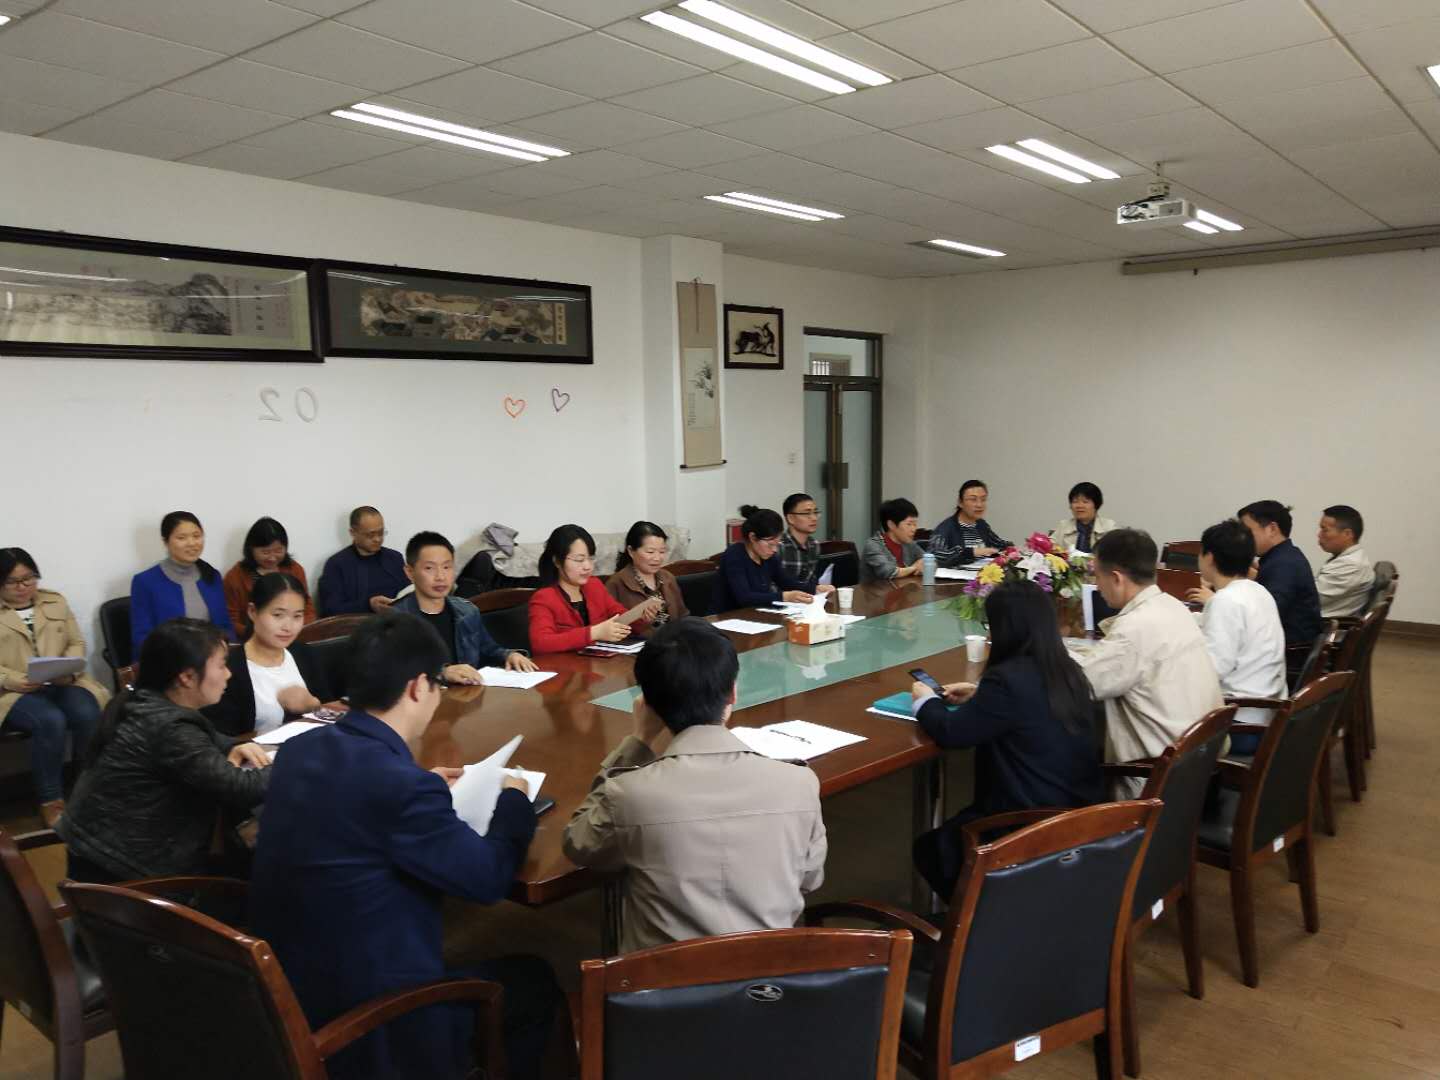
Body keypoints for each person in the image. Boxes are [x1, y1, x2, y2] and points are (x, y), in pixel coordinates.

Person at [249, 613, 557, 1080]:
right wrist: (513, 798)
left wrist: (422, 786)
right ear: (417, 687)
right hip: (373, 1020)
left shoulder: (299, 750)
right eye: (437, 685)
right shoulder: (399, 786)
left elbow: (356, 805)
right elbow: (487, 879)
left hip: (287, 986)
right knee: (534, 980)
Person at [563, 618, 826, 952]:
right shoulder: (798, 782)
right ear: (733, 693)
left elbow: (579, 844)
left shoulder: (630, 793)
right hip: (772, 975)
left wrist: (638, 739)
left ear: (648, 704)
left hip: (661, 981)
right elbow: (810, 879)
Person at [909, 581, 1103, 898]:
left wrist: (925, 701)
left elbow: (952, 732)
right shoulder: (1067, 670)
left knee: (931, 849)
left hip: (1024, 825)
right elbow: (1029, 707)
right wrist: (980, 695)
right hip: (1076, 815)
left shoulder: (1007, 679)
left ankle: (976, 917)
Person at [59, 618, 269, 882]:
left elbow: (211, 739)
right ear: (187, 677)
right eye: (221, 665)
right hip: (126, 876)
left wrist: (238, 746)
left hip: (101, 854)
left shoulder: (143, 700)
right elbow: (241, 787)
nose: (228, 674)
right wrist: (294, 761)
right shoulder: (168, 727)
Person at [1074, 529, 1223, 770]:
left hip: (1153, 775)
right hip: (1197, 763)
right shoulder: (1174, 607)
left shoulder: (1134, 628)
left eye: (1096, 576)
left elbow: (1078, 685)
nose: (1096, 585)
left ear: (1116, 578)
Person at [0, 548, 109, 828]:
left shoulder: (54, 601)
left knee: (88, 711)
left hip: (61, 681)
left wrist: (66, 668)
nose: (23, 586)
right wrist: (12, 680)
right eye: (13, 581)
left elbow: (76, 642)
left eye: (29, 578)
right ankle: (51, 800)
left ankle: (87, 790)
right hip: (13, 691)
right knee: (50, 720)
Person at [1187, 520, 1286, 755]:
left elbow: (1214, 669)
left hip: (1241, 725)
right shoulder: (1257, 590)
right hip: (1266, 715)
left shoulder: (1225, 601)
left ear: (1209, 558)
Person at [391, 531, 538, 681]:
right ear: (410, 572)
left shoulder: (467, 611)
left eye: (447, 567)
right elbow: (391, 671)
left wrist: (509, 655)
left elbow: (489, 650)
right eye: (429, 568)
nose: (440, 577)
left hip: (468, 693)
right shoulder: (393, 621)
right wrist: (442, 673)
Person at [204, 573, 323, 738]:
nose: (288, 627)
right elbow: (220, 737)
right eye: (278, 615)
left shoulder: (305, 654)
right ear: (253, 612)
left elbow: (333, 715)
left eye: (297, 616)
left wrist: (312, 704)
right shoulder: (229, 668)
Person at [130, 510, 235, 655]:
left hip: (212, 658)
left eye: (196, 536)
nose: (191, 543)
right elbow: (142, 638)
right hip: (168, 660)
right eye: (182, 538)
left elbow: (225, 626)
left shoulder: (212, 576)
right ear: (166, 542)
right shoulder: (145, 582)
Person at [529, 524, 639, 653]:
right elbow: (541, 643)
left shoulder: (594, 586)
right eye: (579, 560)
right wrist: (593, 633)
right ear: (557, 561)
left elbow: (619, 615)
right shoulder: (544, 598)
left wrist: (643, 616)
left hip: (599, 662)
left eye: (590, 558)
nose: (588, 566)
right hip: (565, 664)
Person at [1237, 500, 1323, 649]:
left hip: (1291, 651)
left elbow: (1265, 615)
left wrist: (1216, 600)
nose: (1243, 538)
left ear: (1272, 529)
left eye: (1247, 532)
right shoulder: (1284, 555)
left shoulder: (1283, 564)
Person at [222, 516, 316, 633]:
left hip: (293, 634)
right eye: (265, 552)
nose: (272, 558)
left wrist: (296, 629)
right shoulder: (235, 577)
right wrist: (259, 634)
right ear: (251, 549)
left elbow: (307, 607)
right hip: (253, 637)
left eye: (278, 551)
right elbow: (230, 620)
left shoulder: (295, 570)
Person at [712, 506, 813, 612]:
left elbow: (786, 583)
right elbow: (745, 598)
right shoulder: (734, 555)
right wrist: (784, 596)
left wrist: (815, 588)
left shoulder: (769, 556)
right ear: (752, 537)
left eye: (777, 543)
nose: (774, 550)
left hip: (757, 614)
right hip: (726, 617)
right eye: (770, 544)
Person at [316, 506, 408, 617]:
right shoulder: (336, 565)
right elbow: (330, 610)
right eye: (370, 535)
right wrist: (369, 605)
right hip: (358, 624)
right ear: (353, 533)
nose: (377, 539)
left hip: (398, 621)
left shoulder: (394, 558)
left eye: (381, 533)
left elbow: (409, 593)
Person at [606, 521, 689, 632]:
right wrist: (641, 622)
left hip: (674, 638)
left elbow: (683, 616)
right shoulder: (616, 583)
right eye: (650, 552)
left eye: (662, 551)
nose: (657, 558)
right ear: (631, 551)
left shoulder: (667, 577)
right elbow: (611, 628)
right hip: (640, 642)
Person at [930, 480, 1011, 567]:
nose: (979, 505)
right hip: (958, 575)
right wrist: (971, 552)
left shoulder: (981, 525)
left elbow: (1000, 545)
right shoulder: (946, 528)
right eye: (973, 499)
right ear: (960, 503)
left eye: (983, 499)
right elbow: (933, 556)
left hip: (984, 573)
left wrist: (1011, 550)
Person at [1315, 504, 1374, 618]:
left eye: (1324, 530)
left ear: (1347, 534)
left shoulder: (1351, 565)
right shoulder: (1348, 559)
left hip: (1317, 625)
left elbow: (1307, 598)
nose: (1319, 534)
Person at [777, 492, 835, 595]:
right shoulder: (778, 546)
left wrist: (819, 588)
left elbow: (811, 582)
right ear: (790, 518)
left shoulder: (814, 545)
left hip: (807, 601)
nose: (814, 518)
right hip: (782, 602)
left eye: (815, 512)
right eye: (807, 513)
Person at [861, 497, 925, 582]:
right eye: (909, 524)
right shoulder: (873, 545)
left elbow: (931, 560)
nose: (914, 529)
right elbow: (889, 572)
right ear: (891, 525)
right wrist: (915, 567)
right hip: (876, 590)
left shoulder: (908, 543)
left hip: (902, 588)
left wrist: (924, 563)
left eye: (915, 524)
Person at [1051, 481, 1116, 554]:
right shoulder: (1063, 526)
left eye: (1085, 502)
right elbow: (1050, 546)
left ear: (1096, 505)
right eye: (1075, 501)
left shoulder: (1109, 527)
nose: (1079, 506)